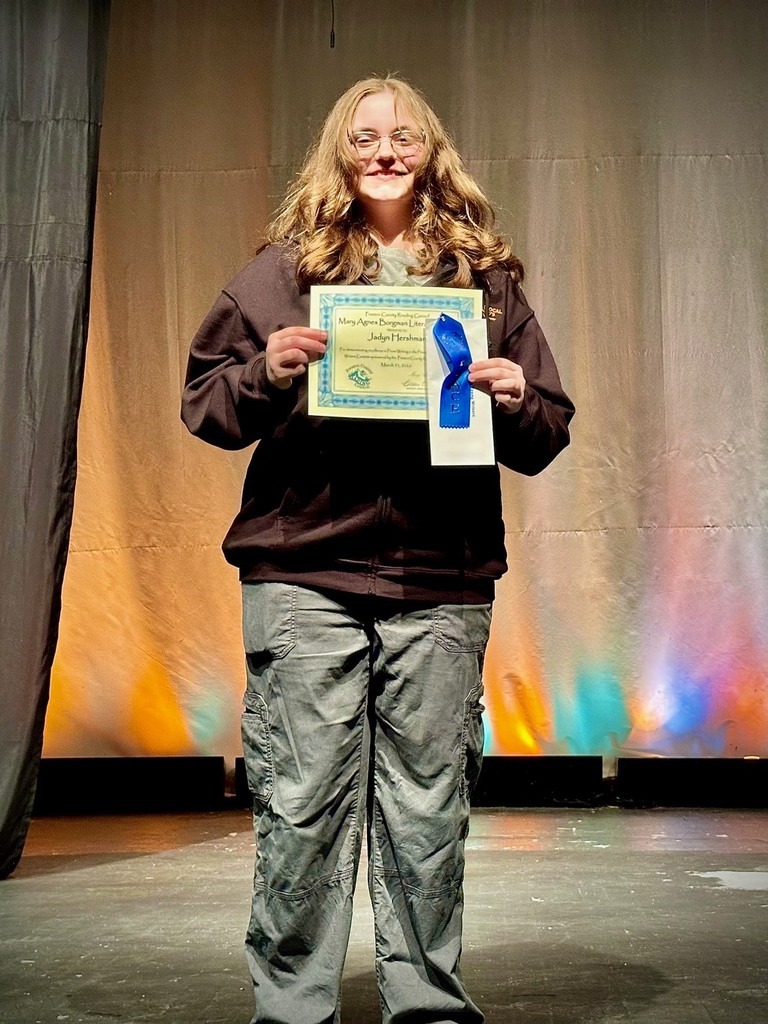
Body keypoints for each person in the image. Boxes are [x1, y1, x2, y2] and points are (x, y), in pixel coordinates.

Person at [181, 75, 574, 1024]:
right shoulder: (284, 270)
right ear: (340, 152)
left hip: (440, 571)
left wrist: (517, 395)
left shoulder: (481, 279)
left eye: (403, 136)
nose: (385, 151)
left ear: (430, 150)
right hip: (306, 568)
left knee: (427, 804)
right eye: (365, 137)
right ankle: (292, 1007)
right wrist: (267, 370)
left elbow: (548, 424)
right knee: (303, 801)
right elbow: (205, 404)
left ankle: (427, 999)